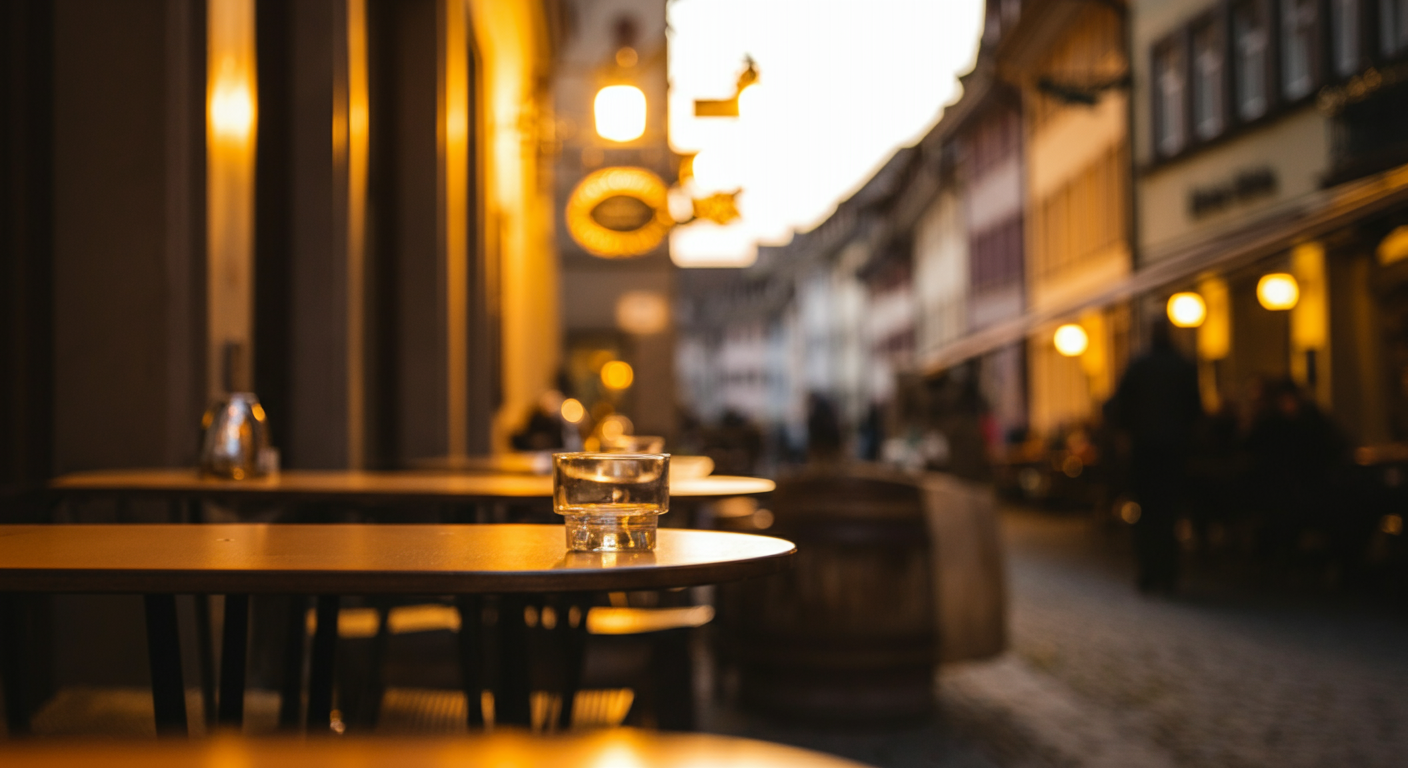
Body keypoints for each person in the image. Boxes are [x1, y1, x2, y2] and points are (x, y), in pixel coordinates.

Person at [1105, 317, 1203, 592]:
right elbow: (1195, 410)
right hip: (1173, 452)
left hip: (1144, 452)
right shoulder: (1183, 366)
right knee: (1169, 514)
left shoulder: (1139, 366)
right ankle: (1169, 573)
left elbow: (1119, 406)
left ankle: (1149, 572)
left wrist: (1126, 434)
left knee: (1146, 515)